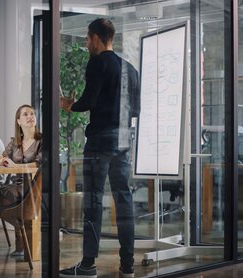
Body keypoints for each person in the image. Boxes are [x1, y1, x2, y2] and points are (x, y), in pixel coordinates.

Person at [59, 18, 140, 278]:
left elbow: (88, 101)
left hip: (100, 141)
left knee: (93, 201)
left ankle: (87, 265)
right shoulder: (130, 68)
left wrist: (69, 105)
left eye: (87, 38)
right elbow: (136, 110)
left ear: (95, 37)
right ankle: (127, 265)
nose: (86, 43)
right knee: (124, 200)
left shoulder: (97, 62)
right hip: (124, 140)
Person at [0, 104, 42, 256]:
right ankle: (21, 239)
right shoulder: (14, 142)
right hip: (18, 185)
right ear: (18, 121)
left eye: (32, 113)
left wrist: (16, 165)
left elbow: (39, 163)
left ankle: (21, 236)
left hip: (35, 186)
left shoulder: (41, 140)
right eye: (26, 114)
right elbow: (3, 156)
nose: (30, 116)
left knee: (6, 195)